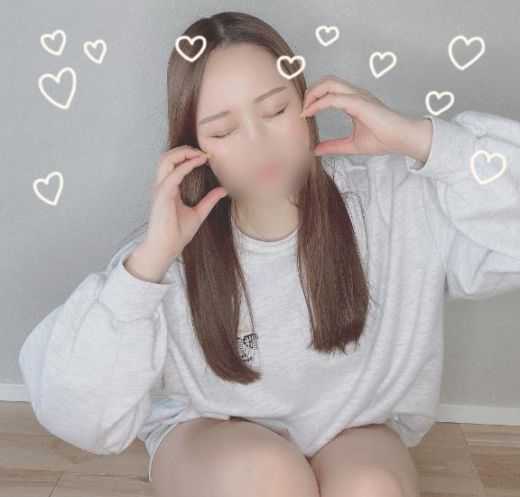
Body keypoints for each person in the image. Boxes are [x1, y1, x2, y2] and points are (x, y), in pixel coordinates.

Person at [18, 11, 520, 497]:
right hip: (211, 432)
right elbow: (79, 417)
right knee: (270, 480)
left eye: (276, 110)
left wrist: (421, 140)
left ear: (307, 101)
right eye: (223, 131)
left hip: (354, 428)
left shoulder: (394, 197)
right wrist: (147, 265)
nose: (258, 143)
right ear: (193, 147)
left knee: (372, 488)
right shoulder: (170, 250)